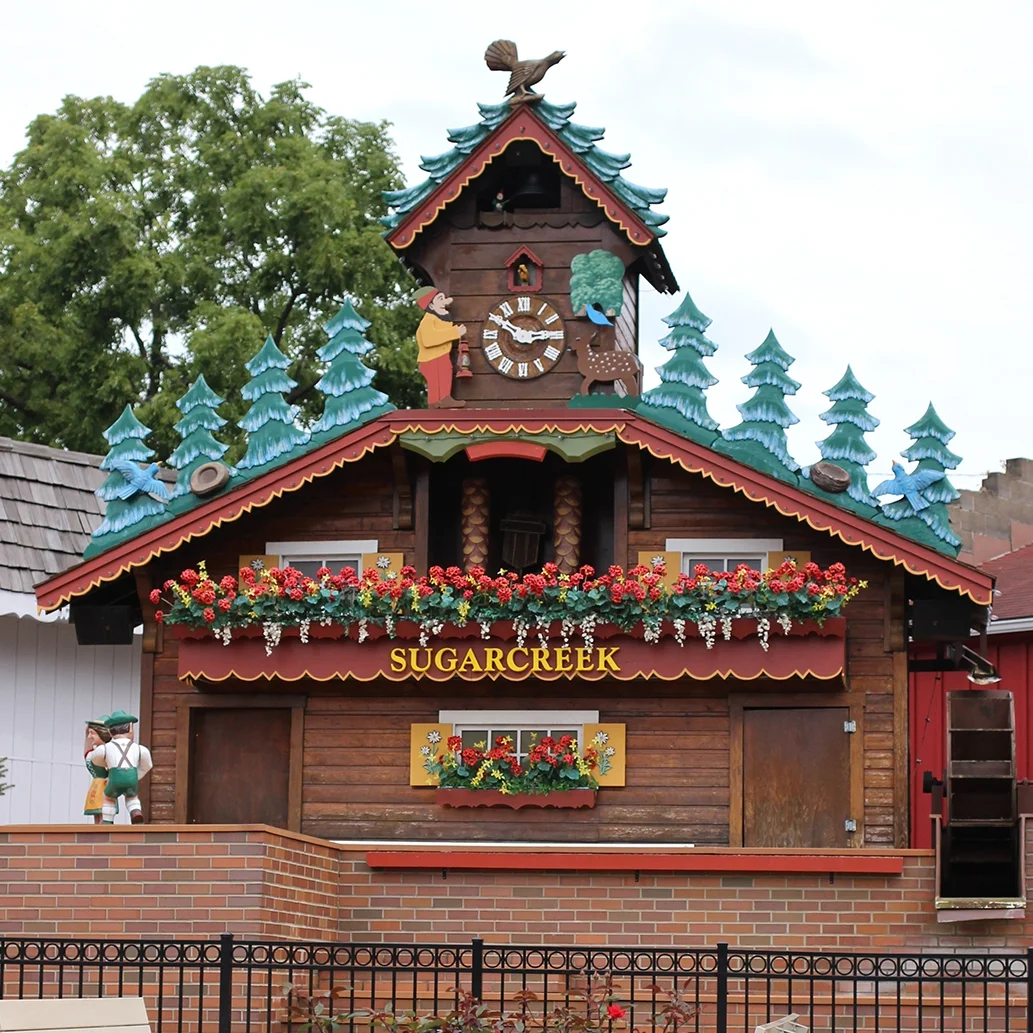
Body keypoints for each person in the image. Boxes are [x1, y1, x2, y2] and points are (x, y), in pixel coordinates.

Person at [86, 710, 152, 824]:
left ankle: (107, 821)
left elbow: (95, 758)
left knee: (108, 797)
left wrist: (106, 764)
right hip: (131, 776)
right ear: (130, 729)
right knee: (132, 797)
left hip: (115, 777)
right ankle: (135, 811)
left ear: (110, 732)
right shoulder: (139, 748)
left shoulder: (106, 748)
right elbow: (148, 765)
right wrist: (137, 776)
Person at [415, 287, 466, 409]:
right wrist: (455, 332)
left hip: (440, 356)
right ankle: (437, 402)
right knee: (436, 380)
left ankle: (443, 399)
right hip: (431, 359)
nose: (445, 302)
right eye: (440, 299)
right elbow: (429, 339)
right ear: (431, 306)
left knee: (445, 373)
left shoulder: (440, 319)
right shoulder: (428, 320)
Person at [83, 718, 113, 824]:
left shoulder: (107, 751)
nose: (89, 737)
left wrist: (111, 777)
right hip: (96, 784)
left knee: (103, 812)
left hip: (104, 785)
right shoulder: (94, 752)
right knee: (96, 812)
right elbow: (86, 753)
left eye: (92, 733)